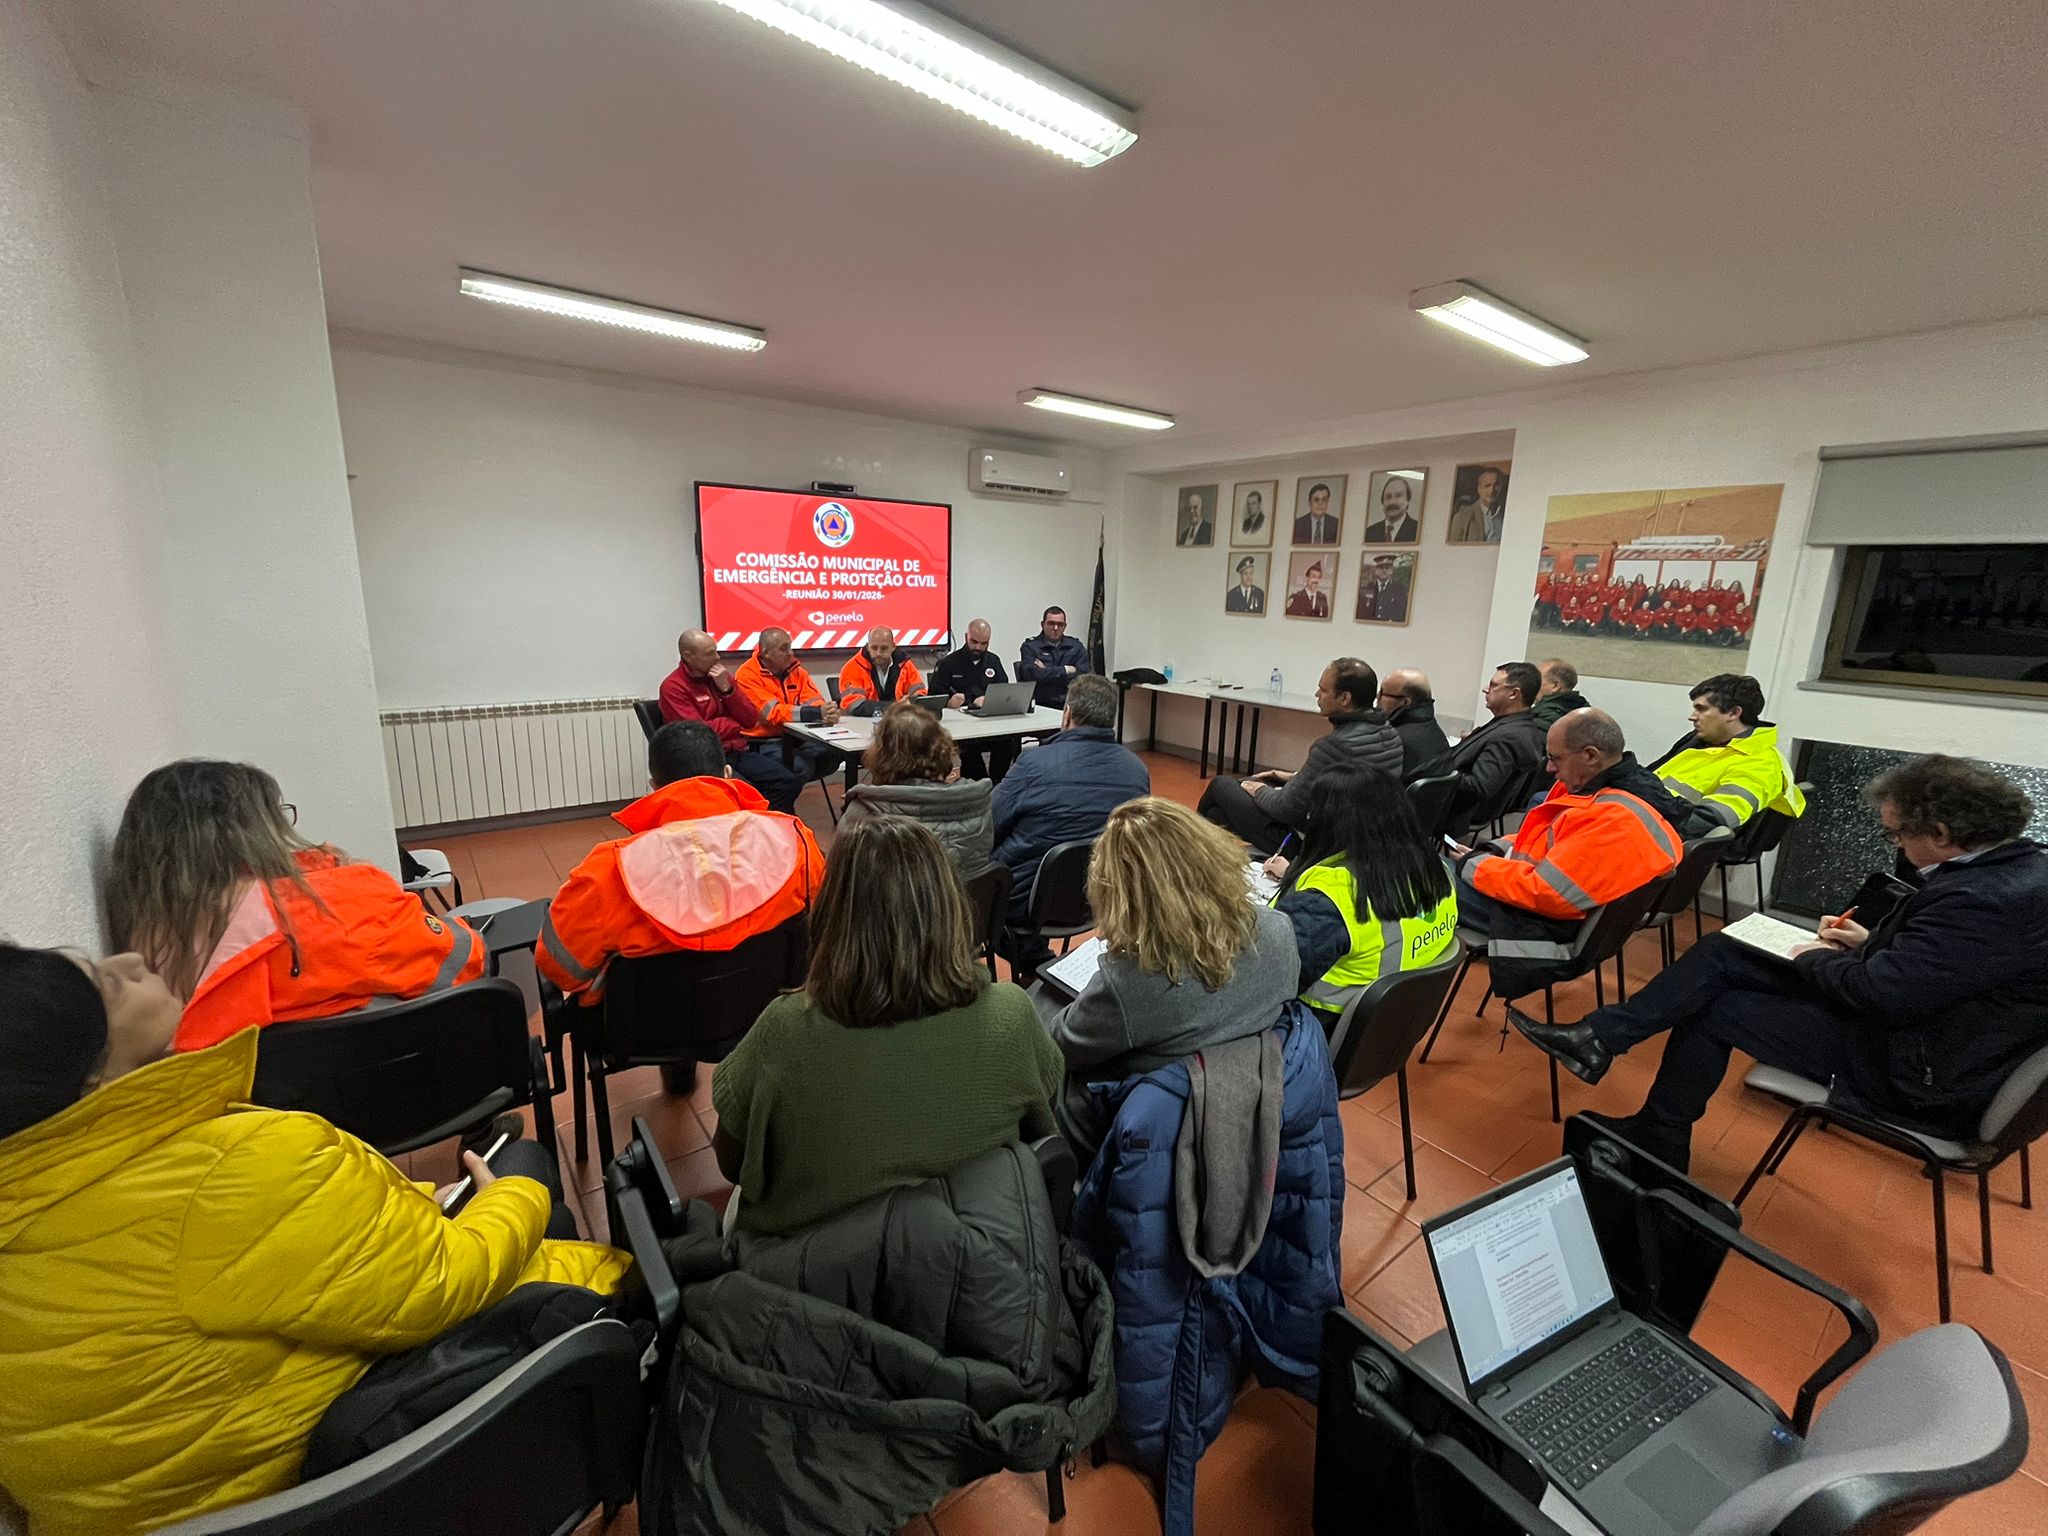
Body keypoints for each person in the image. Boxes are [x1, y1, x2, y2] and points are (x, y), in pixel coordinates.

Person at [0, 944, 628, 1536]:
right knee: (529, 1174)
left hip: (211, 1504)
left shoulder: (36, 1201)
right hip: (346, 1492)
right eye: (110, 985)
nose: (131, 958)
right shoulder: (229, 1171)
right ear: (90, 1084)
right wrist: (507, 1197)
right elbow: (445, 1278)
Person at [1512, 756, 2048, 1173]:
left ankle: (1656, 1128)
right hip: (1931, 1029)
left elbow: (1883, 994)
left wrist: (1820, 957)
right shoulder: (2016, 870)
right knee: (1725, 951)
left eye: (1898, 835)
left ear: (1941, 835)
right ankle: (1599, 1039)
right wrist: (1868, 943)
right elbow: (1944, 967)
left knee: (1717, 1009)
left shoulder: (1983, 901)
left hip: (1915, 1067)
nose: (1897, 848)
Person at [710, 817, 1064, 1234]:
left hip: (813, 1278)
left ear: (833, 915)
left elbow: (732, 1163)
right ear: (951, 906)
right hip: (971, 1266)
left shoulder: (784, 1030)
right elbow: (1043, 1126)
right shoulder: (1012, 1016)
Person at [106, 760, 486, 1052]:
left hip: (262, 1128)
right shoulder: (338, 901)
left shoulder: (142, 959)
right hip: (396, 1085)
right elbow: (461, 961)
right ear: (253, 832)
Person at [1046, 798, 1300, 1166]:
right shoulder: (1279, 930)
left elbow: (1063, 1046)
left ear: (1124, 895)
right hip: (1250, 1105)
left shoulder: (1133, 981)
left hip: (1151, 1128)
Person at [535, 721, 826, 1007]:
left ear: (654, 786)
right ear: (726, 774)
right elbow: (822, 929)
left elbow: (561, 970)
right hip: (766, 1010)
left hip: (645, 1033)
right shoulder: (795, 839)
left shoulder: (606, 870)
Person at [1452, 709, 1682, 997]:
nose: (1549, 768)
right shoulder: (1622, 793)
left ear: (1590, 756)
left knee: (1416, 877)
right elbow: (1548, 844)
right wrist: (1493, 850)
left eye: (1556, 758)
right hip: (1548, 910)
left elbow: (1547, 892)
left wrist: (1476, 865)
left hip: (1541, 928)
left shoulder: (1613, 819)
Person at [1263, 763, 1459, 1025]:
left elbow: (1267, 978)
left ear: (1329, 823)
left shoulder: (1333, 899)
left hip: (1318, 1027)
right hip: (1390, 1028)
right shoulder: (1439, 872)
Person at [992, 674, 1150, 974]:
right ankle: (1037, 962)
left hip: (1026, 904)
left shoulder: (1032, 765)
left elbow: (989, 827)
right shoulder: (1137, 771)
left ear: (1067, 714)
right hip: (1099, 898)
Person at [1197, 658, 1404, 855]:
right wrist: (1294, 777)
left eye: (1323, 690)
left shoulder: (1334, 746)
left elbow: (1285, 808)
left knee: (1222, 785)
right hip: (1361, 839)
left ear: (1345, 698)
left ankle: (1184, 849)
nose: (1317, 695)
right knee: (1218, 813)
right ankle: (1198, 851)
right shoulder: (1390, 733)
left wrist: (1258, 790)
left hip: (1314, 844)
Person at [839, 701, 994, 878]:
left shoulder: (863, 814)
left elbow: (840, 888)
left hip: (898, 906)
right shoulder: (979, 802)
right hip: (968, 904)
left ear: (881, 754)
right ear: (943, 748)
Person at [1647, 673, 1806, 837]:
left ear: (1733, 713)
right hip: (1645, 819)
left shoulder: (1759, 765)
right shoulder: (1705, 741)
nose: (1692, 716)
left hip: (1659, 836)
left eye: (1701, 709)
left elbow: (1708, 822)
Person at [1413, 661, 1547, 831]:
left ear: (1514, 693)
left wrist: (1438, 770)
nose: (1485, 689)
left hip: (1452, 811)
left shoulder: (1508, 736)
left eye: (1493, 685)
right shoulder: (1518, 725)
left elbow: (1479, 787)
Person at [732, 627, 842, 814]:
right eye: (784, 648)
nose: (790, 653)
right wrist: (815, 713)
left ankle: (783, 793)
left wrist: (827, 711)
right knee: (800, 766)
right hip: (764, 742)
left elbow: (814, 700)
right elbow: (770, 714)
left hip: (798, 738)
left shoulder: (796, 670)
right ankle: (779, 807)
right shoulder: (746, 675)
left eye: (790, 647)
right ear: (766, 652)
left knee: (835, 753)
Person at [930, 618, 1018, 780]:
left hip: (988, 722)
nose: (978, 647)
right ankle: (981, 785)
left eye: (983, 643)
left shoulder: (993, 661)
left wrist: (989, 699)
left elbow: (1004, 691)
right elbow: (933, 698)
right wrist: (948, 703)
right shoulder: (948, 663)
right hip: (961, 726)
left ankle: (998, 783)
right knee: (969, 749)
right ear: (966, 637)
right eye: (974, 641)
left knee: (1007, 742)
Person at [660, 628, 760, 754]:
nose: (717, 658)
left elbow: (750, 720)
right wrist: (732, 724)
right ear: (688, 656)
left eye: (716, 651)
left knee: (783, 774)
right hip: (703, 757)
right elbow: (697, 733)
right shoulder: (673, 687)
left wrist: (727, 691)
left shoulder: (722, 678)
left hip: (736, 749)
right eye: (709, 653)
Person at [837, 626, 926, 716]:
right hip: (861, 723)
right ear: (868, 647)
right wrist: (895, 707)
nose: (878, 653)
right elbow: (854, 706)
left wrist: (910, 702)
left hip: (899, 722)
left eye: (884, 648)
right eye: (874, 648)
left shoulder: (905, 664)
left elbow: (921, 695)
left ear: (893, 647)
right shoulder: (852, 668)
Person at [1379, 668, 1451, 778]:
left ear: (1405, 702)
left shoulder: (1393, 739)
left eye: (1383, 693)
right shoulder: (1434, 730)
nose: (1377, 697)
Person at [1018, 605, 1091, 710]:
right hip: (1042, 704)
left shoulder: (1075, 646)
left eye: (1060, 624)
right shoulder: (1030, 647)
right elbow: (1032, 676)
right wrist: (1066, 670)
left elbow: (1083, 676)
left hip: (1071, 704)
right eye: (1051, 624)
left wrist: (1046, 671)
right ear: (1042, 625)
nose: (1056, 628)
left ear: (1065, 626)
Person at [1447, 465, 1507, 543]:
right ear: (1479, 489)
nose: (1491, 490)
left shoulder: (1508, 515)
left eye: (1496, 485)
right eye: (1487, 486)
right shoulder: (1462, 517)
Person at [1528, 657, 1593, 727]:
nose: (1532, 685)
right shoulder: (1588, 715)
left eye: (1537, 680)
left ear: (1555, 686)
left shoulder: (1542, 719)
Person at [1364, 475, 1421, 542]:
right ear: (1383, 502)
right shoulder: (1369, 532)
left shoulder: (1418, 530)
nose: (1392, 502)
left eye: (1398, 496)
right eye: (1388, 497)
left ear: (1407, 500)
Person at [1355, 552, 1409, 622]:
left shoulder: (1399, 589)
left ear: (1391, 570)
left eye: (1387, 568)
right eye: (1381, 568)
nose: (1384, 571)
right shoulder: (1367, 588)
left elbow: (1401, 612)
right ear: (1376, 570)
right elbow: (1360, 612)